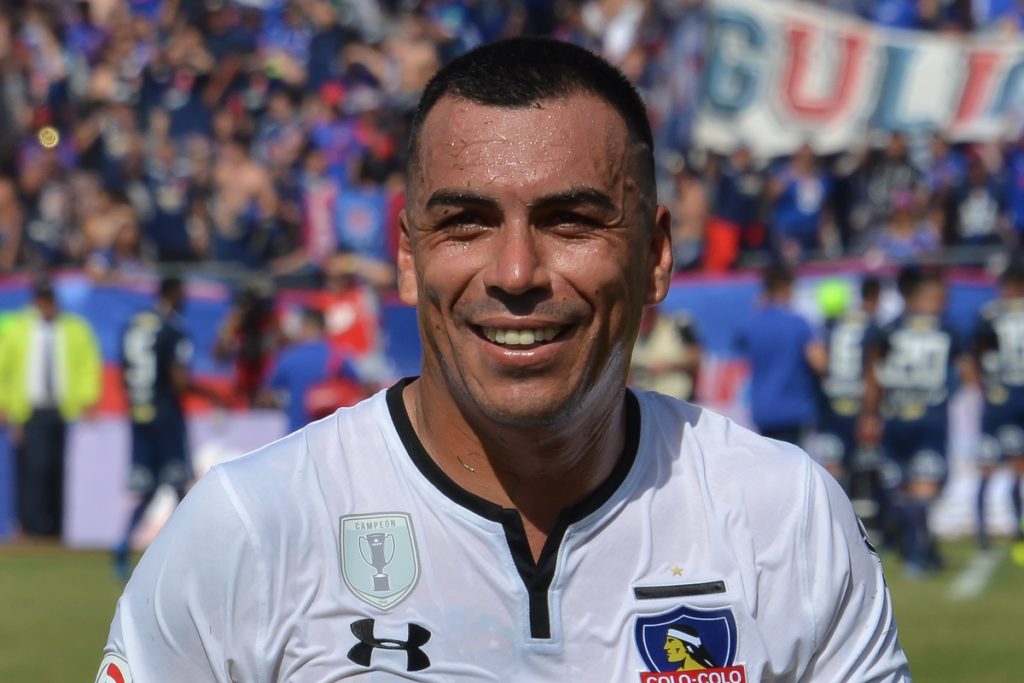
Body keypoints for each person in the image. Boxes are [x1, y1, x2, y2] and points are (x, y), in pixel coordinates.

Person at [98, 38, 909, 682]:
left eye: (569, 219)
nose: (516, 273)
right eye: (467, 222)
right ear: (408, 256)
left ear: (656, 253)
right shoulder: (249, 528)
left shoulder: (785, 516)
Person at [861, 267, 972, 577]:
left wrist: (869, 414)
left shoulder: (889, 329)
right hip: (930, 416)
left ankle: (916, 548)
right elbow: (964, 372)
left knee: (902, 488)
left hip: (895, 415)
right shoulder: (946, 329)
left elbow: (873, 373)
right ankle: (918, 551)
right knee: (924, 488)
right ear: (922, 297)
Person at [113, 277, 219, 579]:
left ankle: (121, 547)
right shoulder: (174, 330)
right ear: (173, 295)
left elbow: (124, 374)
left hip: (138, 414)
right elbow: (179, 381)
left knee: (145, 489)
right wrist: (210, 395)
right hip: (166, 416)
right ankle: (195, 556)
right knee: (179, 486)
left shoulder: (132, 325)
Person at [0, 276, 102, 538]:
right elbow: (5, 370)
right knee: (33, 470)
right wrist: (5, 406)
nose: (47, 305)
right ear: (35, 301)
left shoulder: (73, 328)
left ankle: (55, 528)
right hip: (28, 410)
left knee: (58, 469)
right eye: (42, 300)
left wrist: (87, 399)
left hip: (61, 409)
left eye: (50, 300)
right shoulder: (17, 329)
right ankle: (30, 526)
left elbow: (87, 365)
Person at [735, 264, 827, 445]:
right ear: (787, 288)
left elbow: (740, 343)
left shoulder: (752, 324)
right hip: (793, 408)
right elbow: (820, 363)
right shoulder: (798, 323)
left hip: (763, 409)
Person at [973, 263, 1024, 550]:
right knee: (1018, 464)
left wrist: (985, 384)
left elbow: (978, 351)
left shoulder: (990, 313)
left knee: (988, 463)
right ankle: (1018, 525)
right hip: (1021, 395)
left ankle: (983, 531)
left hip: (998, 396)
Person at [814, 277, 882, 489]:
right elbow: (874, 371)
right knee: (864, 463)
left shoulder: (827, 328)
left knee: (833, 466)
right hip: (859, 400)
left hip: (833, 402)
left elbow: (821, 364)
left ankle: (833, 515)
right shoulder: (869, 325)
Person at [262, 307, 363, 434]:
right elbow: (360, 386)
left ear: (304, 327)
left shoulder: (288, 357)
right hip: (330, 435)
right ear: (324, 328)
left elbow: (266, 394)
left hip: (297, 433)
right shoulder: (338, 355)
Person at [629, 306, 702, 403]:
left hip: (680, 399)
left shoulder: (677, 324)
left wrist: (667, 365)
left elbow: (696, 358)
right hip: (646, 402)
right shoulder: (629, 332)